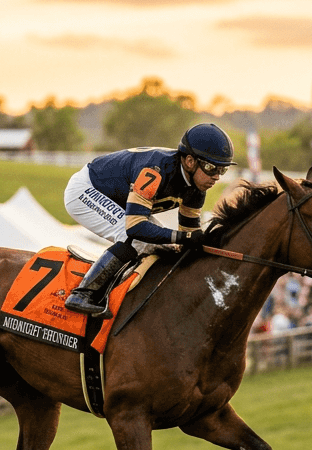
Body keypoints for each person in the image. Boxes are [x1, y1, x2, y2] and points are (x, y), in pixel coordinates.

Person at [61, 123, 234, 317]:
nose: (216, 177)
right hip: (87, 189)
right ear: (190, 161)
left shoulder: (197, 189)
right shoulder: (155, 170)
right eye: (211, 168)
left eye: (223, 170)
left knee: (162, 246)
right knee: (134, 238)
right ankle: (82, 293)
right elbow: (136, 228)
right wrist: (184, 237)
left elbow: (188, 238)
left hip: (118, 200)